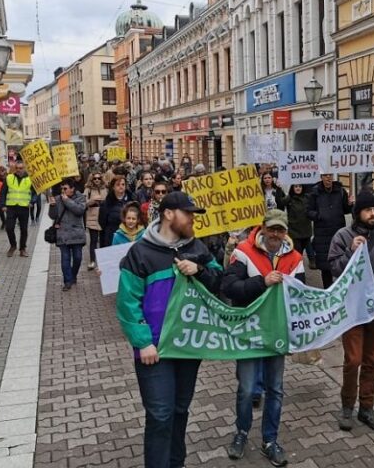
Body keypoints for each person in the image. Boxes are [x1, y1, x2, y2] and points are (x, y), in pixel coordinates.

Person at [116, 191, 223, 468]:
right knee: (161, 414)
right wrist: (143, 342)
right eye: (187, 213)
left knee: (179, 410)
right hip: (156, 350)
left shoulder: (197, 248)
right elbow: (128, 303)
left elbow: (219, 282)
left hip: (187, 347)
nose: (192, 219)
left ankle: (177, 462)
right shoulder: (140, 253)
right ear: (168, 214)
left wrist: (199, 269)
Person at [222, 209, 305, 467]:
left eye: (280, 230)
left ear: (286, 232)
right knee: (247, 389)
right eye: (272, 229)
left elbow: (300, 298)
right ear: (263, 228)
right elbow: (229, 287)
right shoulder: (243, 252)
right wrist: (262, 282)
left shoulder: (296, 259)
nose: (275, 235)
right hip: (248, 333)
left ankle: (270, 439)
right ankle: (242, 432)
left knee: (276, 390)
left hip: (277, 334)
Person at [328, 192, 374, 432]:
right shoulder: (343, 235)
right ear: (358, 212)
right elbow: (334, 268)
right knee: (353, 360)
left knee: (370, 362)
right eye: (368, 210)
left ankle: (366, 408)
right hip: (352, 311)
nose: (373, 214)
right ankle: (347, 406)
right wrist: (350, 250)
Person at [307, 173, 353, 288]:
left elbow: (346, 210)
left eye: (330, 175)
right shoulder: (315, 192)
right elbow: (308, 212)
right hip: (322, 235)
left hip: (339, 233)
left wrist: (350, 204)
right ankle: (327, 290)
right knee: (325, 267)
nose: (328, 178)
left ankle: (339, 289)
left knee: (341, 263)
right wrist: (319, 215)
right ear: (321, 177)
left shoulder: (341, 191)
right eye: (326, 175)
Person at [48, 178, 87, 291]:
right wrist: (52, 206)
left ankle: (73, 275)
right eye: (62, 189)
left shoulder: (80, 197)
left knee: (78, 258)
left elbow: (79, 210)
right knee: (65, 258)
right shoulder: (58, 198)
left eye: (65, 188)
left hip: (77, 234)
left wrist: (67, 201)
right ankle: (67, 281)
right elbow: (53, 216)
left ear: (72, 189)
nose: (63, 191)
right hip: (63, 234)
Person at [0, 160, 32, 257]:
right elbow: (3, 192)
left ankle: (22, 249)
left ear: (24, 168)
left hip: (24, 207)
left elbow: (36, 193)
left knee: (24, 229)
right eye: (17, 168)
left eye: (21, 168)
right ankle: (13, 246)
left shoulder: (30, 179)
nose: (18, 170)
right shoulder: (9, 178)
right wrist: (3, 205)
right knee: (9, 228)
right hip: (11, 207)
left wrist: (32, 202)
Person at [99, 175, 136, 247]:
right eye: (118, 184)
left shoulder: (132, 200)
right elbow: (102, 222)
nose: (121, 186)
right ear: (113, 187)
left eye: (123, 184)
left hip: (129, 236)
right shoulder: (106, 203)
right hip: (112, 236)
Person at [282, 184, 314, 265]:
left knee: (309, 246)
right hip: (294, 230)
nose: (298, 188)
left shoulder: (307, 197)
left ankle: (312, 261)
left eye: (300, 186)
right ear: (292, 188)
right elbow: (281, 202)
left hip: (306, 228)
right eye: (296, 187)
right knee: (298, 252)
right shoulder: (289, 198)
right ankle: (298, 267)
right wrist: (279, 189)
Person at [84, 173, 107, 270]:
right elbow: (84, 203)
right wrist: (92, 201)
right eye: (95, 178)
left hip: (103, 216)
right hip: (92, 216)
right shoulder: (88, 189)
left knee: (103, 240)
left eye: (99, 178)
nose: (97, 180)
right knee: (93, 240)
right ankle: (92, 261)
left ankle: (102, 261)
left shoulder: (105, 188)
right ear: (91, 179)